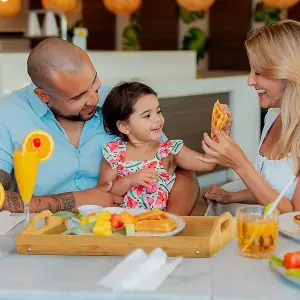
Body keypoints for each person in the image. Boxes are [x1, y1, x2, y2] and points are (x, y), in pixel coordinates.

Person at [0, 37, 199, 215]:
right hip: (41, 240)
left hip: (128, 233)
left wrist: (166, 225)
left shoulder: (120, 101)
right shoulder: (9, 114)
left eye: (94, 84)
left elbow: (180, 170)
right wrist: (74, 201)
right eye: (78, 97)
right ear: (43, 96)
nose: (95, 100)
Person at [198, 20, 300, 214]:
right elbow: (278, 190)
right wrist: (231, 196)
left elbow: (295, 215)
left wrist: (240, 164)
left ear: (288, 73)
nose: (250, 81)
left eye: (258, 72)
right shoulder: (273, 115)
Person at [99, 81, 232, 211]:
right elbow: (103, 193)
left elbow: (208, 164)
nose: (157, 119)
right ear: (124, 126)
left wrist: (221, 133)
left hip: (158, 227)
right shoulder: (114, 153)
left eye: (158, 111)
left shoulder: (169, 151)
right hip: (122, 227)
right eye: (147, 115)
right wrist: (129, 181)